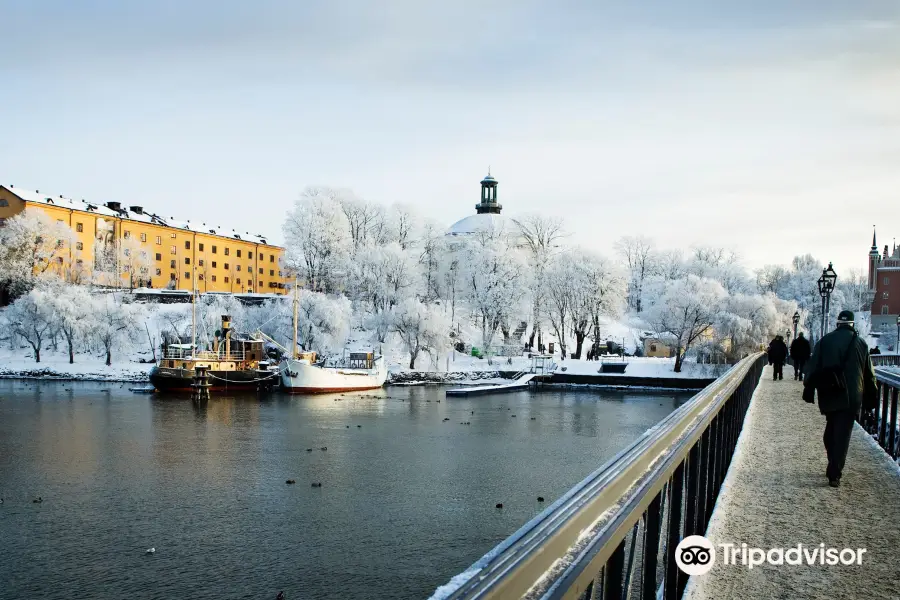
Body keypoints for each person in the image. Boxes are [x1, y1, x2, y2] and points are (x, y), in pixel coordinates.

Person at [802, 310, 878, 488]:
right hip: (852, 395)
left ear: (837, 324)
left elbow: (812, 367)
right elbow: (869, 374)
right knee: (842, 433)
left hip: (829, 392)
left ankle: (833, 463)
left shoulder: (824, 341)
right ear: (852, 325)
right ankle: (835, 471)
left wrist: (809, 387)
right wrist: (871, 396)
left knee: (831, 428)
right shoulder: (861, 344)